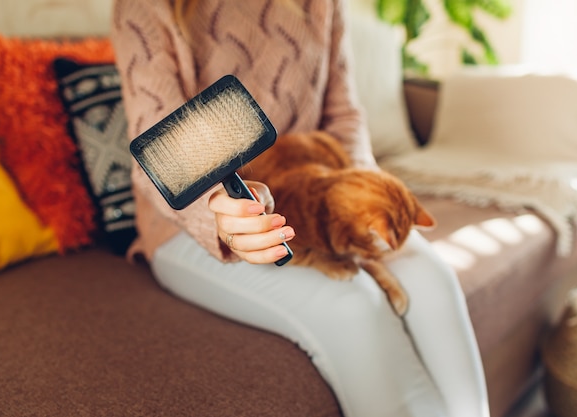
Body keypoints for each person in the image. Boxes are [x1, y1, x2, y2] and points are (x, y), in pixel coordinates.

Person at [111, 1, 490, 416]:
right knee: (353, 304)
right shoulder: (146, 7)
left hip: (318, 195)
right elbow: (156, 148)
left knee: (431, 277)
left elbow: (343, 116)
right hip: (193, 226)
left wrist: (358, 195)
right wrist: (219, 213)